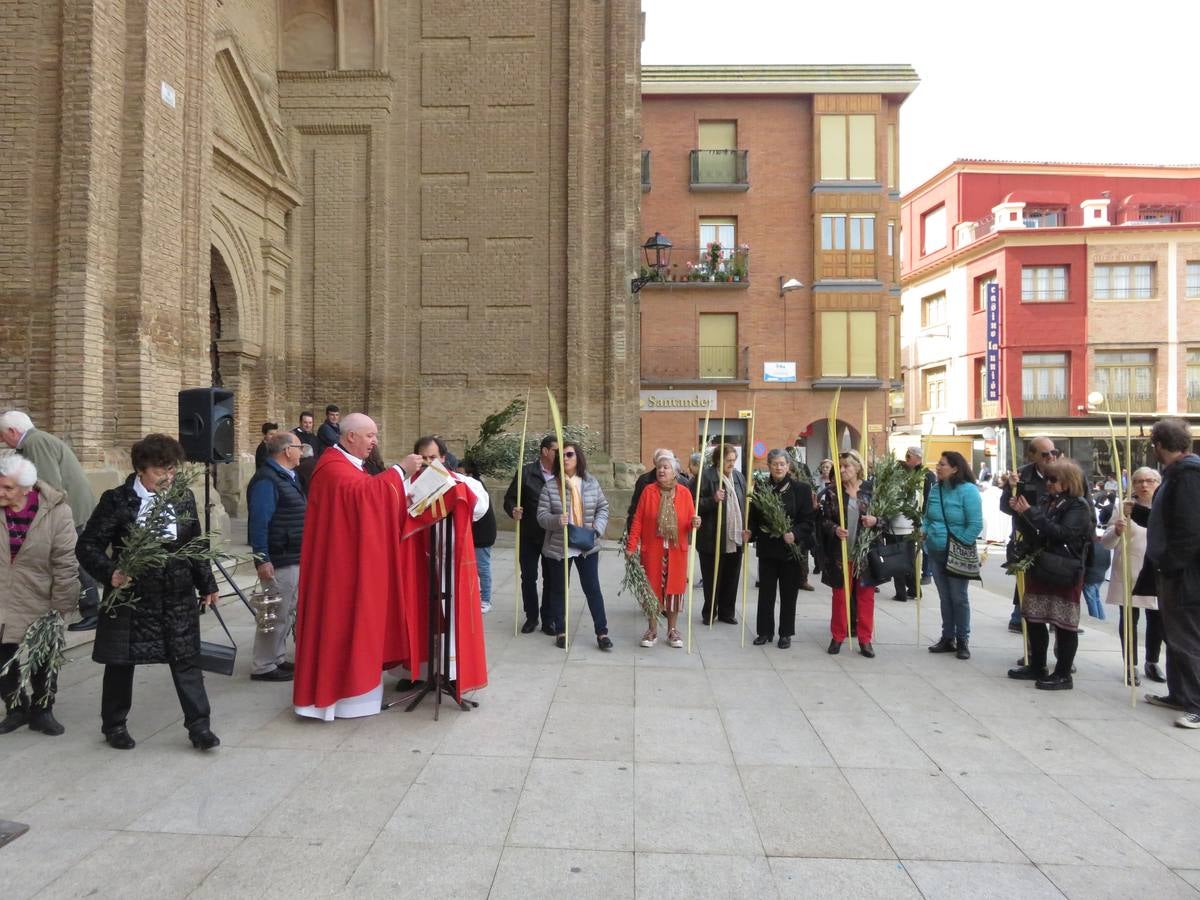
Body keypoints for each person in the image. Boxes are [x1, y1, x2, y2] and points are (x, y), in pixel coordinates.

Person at [76, 434, 221, 750]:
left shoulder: (181, 499)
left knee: (185, 659)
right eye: (160, 471)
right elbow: (87, 546)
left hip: (176, 593)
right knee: (121, 661)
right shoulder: (117, 500)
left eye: (172, 471)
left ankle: (200, 727)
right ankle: (114, 725)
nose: (167, 478)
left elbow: (195, 544)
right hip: (132, 595)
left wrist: (206, 583)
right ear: (141, 469)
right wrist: (110, 573)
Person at [292, 413, 425, 720]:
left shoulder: (349, 465)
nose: (374, 442)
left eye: (375, 436)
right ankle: (337, 696)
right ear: (350, 436)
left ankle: (358, 693)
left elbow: (367, 498)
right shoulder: (333, 467)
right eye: (370, 436)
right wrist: (399, 471)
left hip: (350, 564)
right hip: (339, 571)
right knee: (342, 628)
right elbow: (364, 496)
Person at [0, 455, 78, 736]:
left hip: (38, 595)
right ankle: (15, 708)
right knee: (2, 659)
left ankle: (42, 710)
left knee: (42, 658)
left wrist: (62, 607)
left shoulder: (56, 513)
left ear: (26, 488)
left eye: (7, 488)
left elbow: (66, 563)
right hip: (2, 595)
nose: (1, 492)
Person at [1, 410, 99, 632]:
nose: (2, 440)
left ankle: (92, 610)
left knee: (73, 559)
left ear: (13, 431)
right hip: (70, 508)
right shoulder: (35, 441)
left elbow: (48, 484)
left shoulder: (36, 443)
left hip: (67, 511)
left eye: (2, 435)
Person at [1006, 457, 1093, 691]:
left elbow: (1062, 533)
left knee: (1064, 624)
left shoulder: (1078, 506)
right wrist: (1021, 513)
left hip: (1064, 569)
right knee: (1034, 618)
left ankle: (1063, 673)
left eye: (1053, 480)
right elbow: (1036, 530)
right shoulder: (1049, 501)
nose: (1048, 484)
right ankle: (1037, 665)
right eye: (1048, 479)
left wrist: (1031, 513)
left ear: (1068, 481)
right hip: (1043, 566)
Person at [1136, 418, 1200, 727]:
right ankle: (1178, 694)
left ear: (1159, 445)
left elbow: (1189, 529)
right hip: (1177, 571)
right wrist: (1137, 512)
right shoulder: (1177, 475)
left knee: (1186, 639)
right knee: (1175, 637)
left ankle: (1197, 704)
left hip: (1185, 575)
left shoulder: (1187, 476)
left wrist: (1171, 565)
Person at [536, 441, 612, 650]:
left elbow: (603, 508)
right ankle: (561, 630)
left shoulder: (590, 483)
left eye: (570, 454)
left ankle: (602, 632)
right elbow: (541, 516)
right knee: (559, 591)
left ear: (578, 457)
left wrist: (596, 529)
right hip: (559, 547)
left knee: (592, 589)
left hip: (587, 545)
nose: (566, 458)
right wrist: (555, 520)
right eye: (562, 455)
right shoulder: (551, 486)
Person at [245, 431, 306, 682]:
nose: (302, 451)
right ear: (286, 451)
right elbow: (260, 521)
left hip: (291, 553)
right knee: (275, 611)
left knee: (286, 609)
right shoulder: (267, 480)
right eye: (299, 446)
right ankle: (263, 665)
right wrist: (262, 558)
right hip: (280, 556)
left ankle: (277, 657)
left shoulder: (286, 477)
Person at [626, 453, 700, 649]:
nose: (661, 470)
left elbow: (690, 520)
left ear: (675, 472)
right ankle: (652, 629)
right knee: (651, 590)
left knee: (674, 591)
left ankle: (672, 630)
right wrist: (631, 546)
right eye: (659, 467)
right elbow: (638, 520)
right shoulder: (648, 491)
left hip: (676, 550)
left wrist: (696, 522)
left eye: (666, 467)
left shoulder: (684, 493)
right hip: (653, 550)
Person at [1102, 467, 1164, 684]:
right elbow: (1107, 541)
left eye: (1149, 481)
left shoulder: (1164, 507)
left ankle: (1152, 661)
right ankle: (1130, 665)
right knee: (1129, 619)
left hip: (1156, 571)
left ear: (1158, 483)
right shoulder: (1124, 507)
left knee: (1157, 619)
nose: (1144, 485)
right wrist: (1117, 530)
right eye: (1138, 481)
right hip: (1129, 570)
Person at [748, 448, 813, 649]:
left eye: (782, 464)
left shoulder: (801, 489)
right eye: (774, 464)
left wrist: (795, 533)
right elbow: (754, 517)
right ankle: (764, 631)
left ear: (788, 466)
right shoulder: (761, 488)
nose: (778, 467)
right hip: (768, 549)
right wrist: (749, 532)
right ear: (768, 466)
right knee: (766, 592)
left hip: (791, 549)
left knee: (788, 593)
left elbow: (809, 521)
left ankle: (785, 633)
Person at [925, 451, 984, 660]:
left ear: (955, 468)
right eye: (938, 464)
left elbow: (975, 524)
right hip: (935, 550)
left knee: (959, 598)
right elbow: (927, 516)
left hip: (957, 552)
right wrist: (925, 533)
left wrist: (960, 545)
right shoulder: (935, 490)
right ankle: (947, 637)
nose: (937, 467)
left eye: (942, 464)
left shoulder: (968, 491)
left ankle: (962, 640)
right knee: (945, 597)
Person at [819, 450, 878, 657]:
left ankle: (865, 639)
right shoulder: (833, 492)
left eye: (847, 466)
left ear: (858, 468)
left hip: (865, 553)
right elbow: (823, 520)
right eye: (841, 466)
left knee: (865, 597)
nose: (842, 470)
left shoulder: (871, 491)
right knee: (840, 596)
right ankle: (837, 636)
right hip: (841, 553)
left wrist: (875, 521)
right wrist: (834, 528)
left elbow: (885, 518)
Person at [1000, 436, 1059, 632]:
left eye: (1054, 452)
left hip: (1055, 537)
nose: (1051, 457)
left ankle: (1055, 619)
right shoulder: (1021, 476)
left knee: (1054, 580)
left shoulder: (1066, 473)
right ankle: (1019, 617)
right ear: (1032, 456)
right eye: (1045, 454)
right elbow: (1005, 507)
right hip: (1027, 538)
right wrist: (1011, 492)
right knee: (1027, 580)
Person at [504, 435, 557, 634]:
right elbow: (509, 499)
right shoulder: (526, 473)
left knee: (551, 578)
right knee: (528, 577)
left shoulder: (562, 474)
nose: (560, 454)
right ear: (545, 451)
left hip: (553, 536)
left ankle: (549, 618)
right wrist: (513, 510)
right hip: (529, 534)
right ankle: (531, 617)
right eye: (556, 450)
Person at [697, 443, 746, 625]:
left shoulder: (739, 477)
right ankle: (709, 612)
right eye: (728, 460)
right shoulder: (706, 476)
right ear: (718, 460)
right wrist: (712, 500)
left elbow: (744, 505)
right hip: (712, 538)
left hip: (735, 537)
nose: (732, 463)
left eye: (734, 460)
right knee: (712, 579)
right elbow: (693, 504)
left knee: (731, 578)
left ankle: (727, 612)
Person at [459, 459, 497, 614]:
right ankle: (475, 597)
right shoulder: (468, 485)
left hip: (482, 534)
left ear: (469, 474)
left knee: (482, 567)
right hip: (472, 532)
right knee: (472, 568)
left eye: (461, 473)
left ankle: (485, 600)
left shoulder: (475, 486)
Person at [626, 448, 676, 529]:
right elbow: (635, 509)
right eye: (660, 460)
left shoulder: (682, 484)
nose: (662, 469)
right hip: (648, 529)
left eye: (667, 460)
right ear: (655, 462)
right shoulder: (644, 482)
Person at [1082, 532, 1111, 622]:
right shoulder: (1105, 547)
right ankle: (1101, 619)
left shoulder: (1089, 546)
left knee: (1091, 601)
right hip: (1100, 576)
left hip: (1090, 577)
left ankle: (1095, 620)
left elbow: (1085, 563)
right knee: (1096, 599)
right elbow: (1108, 563)